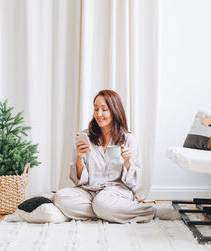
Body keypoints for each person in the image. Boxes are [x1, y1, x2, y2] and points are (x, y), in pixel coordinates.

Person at [53, 89, 155, 223]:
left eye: (104, 109)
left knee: (102, 203)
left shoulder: (128, 139)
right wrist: (79, 157)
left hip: (115, 192)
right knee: (61, 197)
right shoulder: (85, 137)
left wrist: (128, 161)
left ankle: (150, 211)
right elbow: (78, 181)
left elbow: (133, 183)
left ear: (114, 111)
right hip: (89, 191)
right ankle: (107, 212)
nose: (99, 114)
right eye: (96, 109)